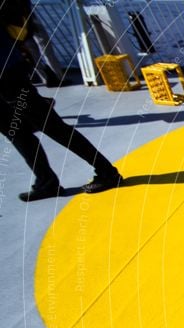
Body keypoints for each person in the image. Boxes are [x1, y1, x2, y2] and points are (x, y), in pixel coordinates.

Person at [0, 32, 122, 202]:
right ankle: (46, 182)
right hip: (8, 71)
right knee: (17, 133)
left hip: (7, 74)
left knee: (53, 127)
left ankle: (107, 172)